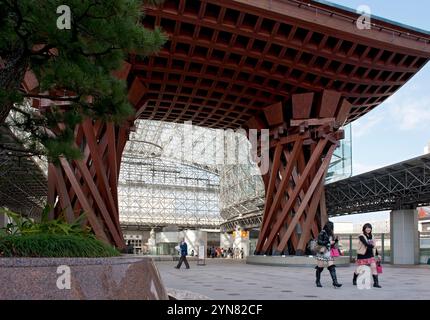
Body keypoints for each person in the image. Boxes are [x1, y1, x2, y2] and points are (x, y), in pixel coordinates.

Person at [353, 223, 382, 288]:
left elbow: (374, 247)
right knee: (360, 269)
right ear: (364, 229)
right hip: (362, 255)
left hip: (370, 255)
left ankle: (376, 283)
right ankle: (354, 279)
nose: (368, 229)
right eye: (367, 228)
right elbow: (366, 244)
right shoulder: (361, 236)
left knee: (374, 267)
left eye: (369, 228)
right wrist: (372, 245)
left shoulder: (372, 236)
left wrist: (378, 254)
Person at [314, 221, 342, 288]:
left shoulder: (331, 234)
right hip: (322, 252)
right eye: (329, 227)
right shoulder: (322, 232)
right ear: (326, 227)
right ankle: (317, 281)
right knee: (320, 267)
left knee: (332, 266)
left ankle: (335, 282)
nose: (330, 228)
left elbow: (332, 244)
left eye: (331, 227)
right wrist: (328, 242)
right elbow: (319, 242)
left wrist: (336, 240)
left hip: (328, 252)